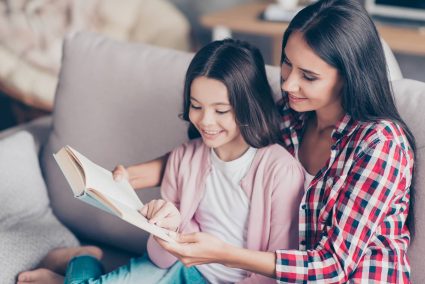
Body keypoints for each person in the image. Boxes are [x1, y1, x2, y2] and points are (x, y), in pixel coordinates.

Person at [150, 0, 416, 283]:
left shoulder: (380, 144)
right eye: (288, 63)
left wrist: (224, 254)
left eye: (309, 76)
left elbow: (334, 265)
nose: (288, 84)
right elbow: (214, 152)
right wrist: (125, 176)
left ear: (350, 77)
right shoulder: (290, 116)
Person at [17, 39, 304, 283]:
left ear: (248, 107)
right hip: (180, 269)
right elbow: (160, 258)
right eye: (196, 106)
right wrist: (166, 227)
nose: (205, 120)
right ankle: (84, 259)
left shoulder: (279, 170)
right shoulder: (184, 159)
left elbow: (278, 265)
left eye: (221, 110)